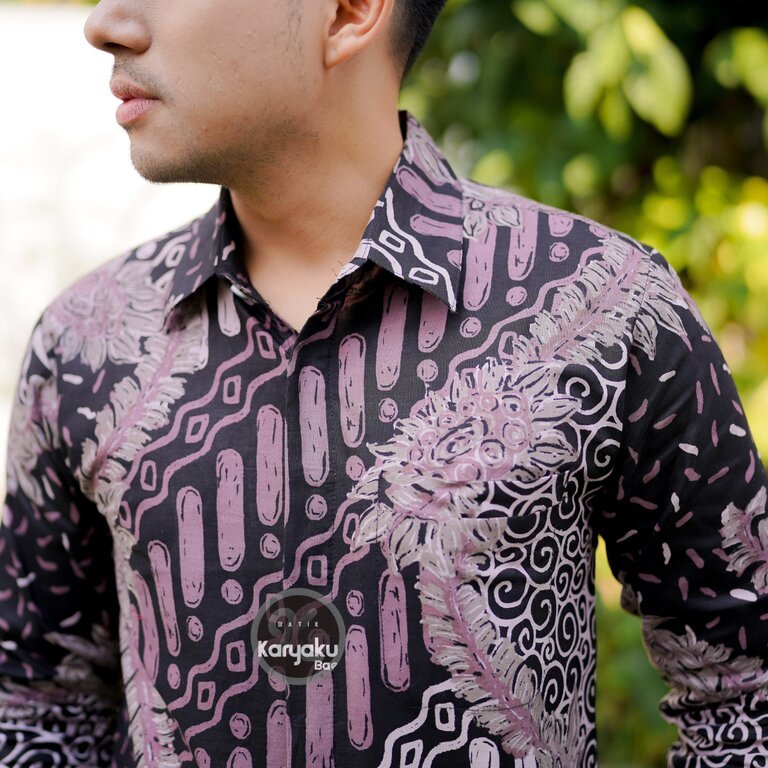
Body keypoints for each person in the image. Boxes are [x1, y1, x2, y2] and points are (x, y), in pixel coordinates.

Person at [0, 0, 766, 765]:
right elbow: (36, 711)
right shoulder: (88, 344)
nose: (105, 23)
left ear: (348, 12)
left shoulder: (600, 305)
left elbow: (748, 695)